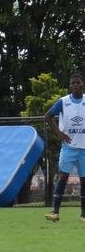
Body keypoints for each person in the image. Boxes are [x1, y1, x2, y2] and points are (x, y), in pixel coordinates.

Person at [43, 71, 85, 222]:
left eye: (78, 83)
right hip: (68, 147)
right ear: (70, 86)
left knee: (84, 180)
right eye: (72, 83)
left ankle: (83, 215)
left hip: (84, 148)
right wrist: (58, 133)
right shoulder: (63, 101)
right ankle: (55, 212)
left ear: (83, 85)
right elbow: (47, 116)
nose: (75, 85)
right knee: (63, 177)